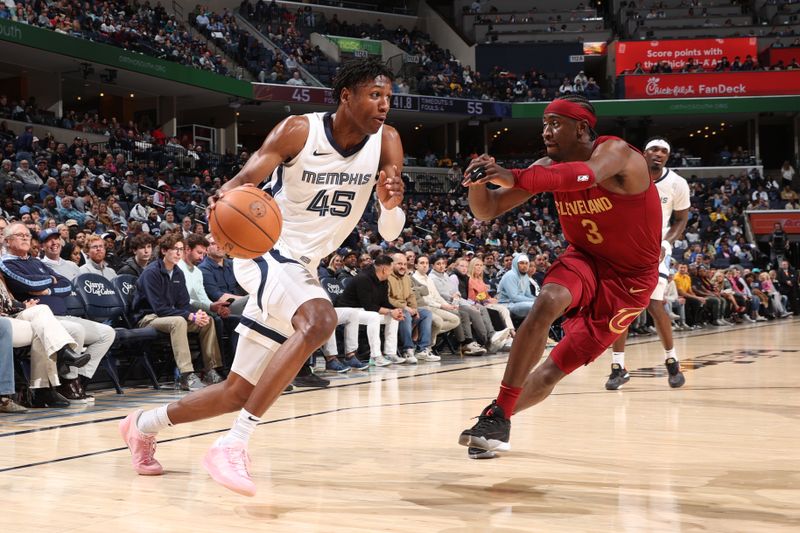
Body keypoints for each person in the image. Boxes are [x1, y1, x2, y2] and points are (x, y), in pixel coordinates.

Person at [119, 58, 405, 496]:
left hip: (303, 267)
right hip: (265, 250)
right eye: (375, 95)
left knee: (237, 390)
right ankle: (233, 444)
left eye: (388, 97)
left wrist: (389, 205)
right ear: (346, 95)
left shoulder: (387, 142)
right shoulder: (299, 130)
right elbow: (248, 175)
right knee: (320, 321)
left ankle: (142, 425)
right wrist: (223, 199)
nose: (384, 105)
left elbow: (390, 231)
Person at [458, 95, 661, 459]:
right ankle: (498, 415)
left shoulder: (616, 152)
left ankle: (499, 413)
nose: (546, 131)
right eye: (544, 124)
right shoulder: (546, 166)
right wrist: (478, 180)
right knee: (548, 299)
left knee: (555, 368)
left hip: (629, 282)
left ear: (581, 128)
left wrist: (511, 174)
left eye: (555, 123)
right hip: (584, 259)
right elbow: (487, 209)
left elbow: (583, 175)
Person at [605, 138, 689, 390]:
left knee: (654, 304)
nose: (659, 154)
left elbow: (681, 220)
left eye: (664, 150)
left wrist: (666, 245)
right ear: (643, 154)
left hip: (655, 251)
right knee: (621, 309)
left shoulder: (677, 183)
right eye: (654, 149)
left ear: (668, 156)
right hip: (624, 250)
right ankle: (618, 367)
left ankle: (671, 360)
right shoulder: (626, 176)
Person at [134, 234, 224, 391]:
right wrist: (190, 316)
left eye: (181, 250)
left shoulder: (178, 273)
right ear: (164, 251)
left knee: (207, 321)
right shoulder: (151, 273)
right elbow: (159, 308)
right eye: (175, 249)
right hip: (148, 317)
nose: (178, 253)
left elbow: (183, 304)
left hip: (171, 316)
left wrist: (198, 315)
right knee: (179, 321)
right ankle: (186, 375)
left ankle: (211, 370)